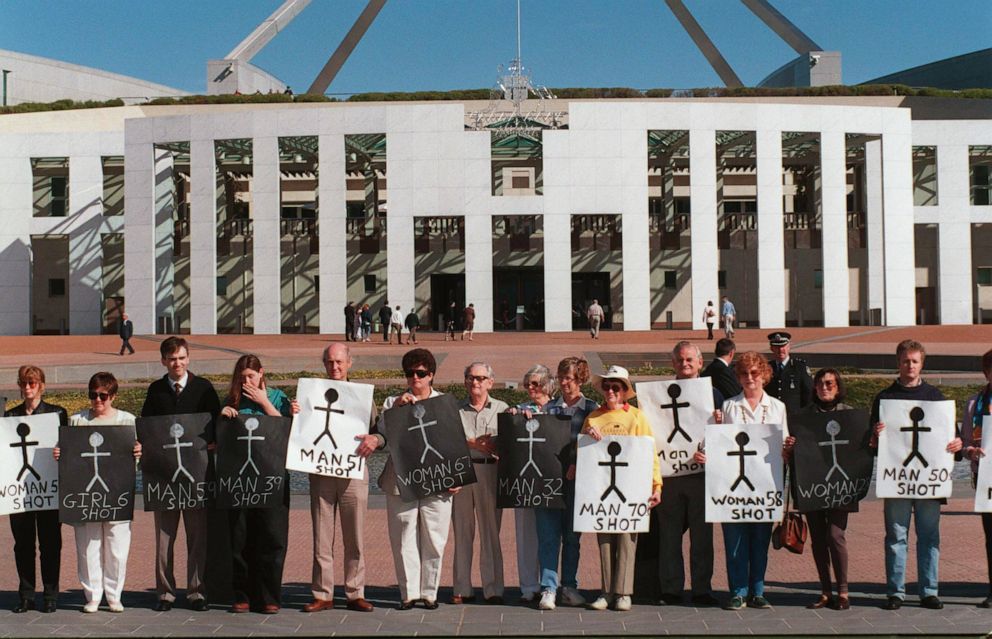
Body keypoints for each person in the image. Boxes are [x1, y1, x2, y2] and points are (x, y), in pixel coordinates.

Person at [869, 340, 961, 611]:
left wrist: (955, 445)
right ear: (898, 363)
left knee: (929, 536)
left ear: (922, 364)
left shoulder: (936, 398)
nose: (910, 366)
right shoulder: (885, 399)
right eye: (906, 361)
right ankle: (895, 592)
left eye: (915, 361)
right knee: (896, 536)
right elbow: (873, 445)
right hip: (897, 479)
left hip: (928, 482)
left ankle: (929, 590)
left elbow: (950, 439)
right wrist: (875, 435)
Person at [694, 352, 790, 610]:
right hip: (731, 483)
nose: (750, 378)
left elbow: (784, 445)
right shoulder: (728, 407)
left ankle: (757, 591)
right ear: (737, 377)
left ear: (764, 376)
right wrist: (707, 449)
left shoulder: (777, 408)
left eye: (755, 373)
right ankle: (737, 591)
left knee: (760, 540)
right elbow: (717, 442)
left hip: (765, 483)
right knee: (734, 540)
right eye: (744, 374)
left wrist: (787, 449)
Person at [139, 337, 220, 612]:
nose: (178, 363)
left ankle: (197, 591)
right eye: (172, 359)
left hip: (196, 476)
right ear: (163, 360)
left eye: (182, 358)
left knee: (198, 537)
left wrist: (214, 440)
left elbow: (215, 425)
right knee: (165, 538)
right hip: (164, 477)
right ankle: (165, 593)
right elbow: (147, 429)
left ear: (189, 358)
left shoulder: (204, 389)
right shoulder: (155, 390)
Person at [377, 348, 457, 610]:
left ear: (431, 375)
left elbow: (453, 442)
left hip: (438, 479)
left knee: (435, 537)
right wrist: (398, 408)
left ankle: (429, 592)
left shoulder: (444, 402)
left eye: (421, 373)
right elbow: (382, 435)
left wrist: (456, 476)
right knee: (403, 536)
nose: (415, 378)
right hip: (402, 478)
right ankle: (408, 593)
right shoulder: (392, 402)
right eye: (410, 373)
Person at [54, 372, 141, 613]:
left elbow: (136, 459)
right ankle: (92, 594)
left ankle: (114, 594)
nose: (98, 400)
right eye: (93, 395)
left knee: (116, 546)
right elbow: (69, 455)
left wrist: (137, 453)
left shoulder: (127, 421)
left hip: (117, 491)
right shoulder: (77, 421)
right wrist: (60, 454)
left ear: (113, 396)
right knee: (88, 546)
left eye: (103, 396)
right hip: (86, 495)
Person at [304, 343, 380, 613]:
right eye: (329, 362)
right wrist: (295, 414)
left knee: (355, 537)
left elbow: (378, 429)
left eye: (339, 362)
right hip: (322, 471)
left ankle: (354, 591)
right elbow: (301, 432)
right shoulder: (311, 395)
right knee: (321, 537)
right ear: (324, 363)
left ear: (350, 363)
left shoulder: (362, 396)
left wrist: (376, 438)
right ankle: (323, 593)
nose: (334, 367)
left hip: (354, 471)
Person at [582, 366, 662, 612]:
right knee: (605, 541)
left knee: (628, 540)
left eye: (615, 387)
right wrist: (586, 434)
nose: (610, 391)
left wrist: (656, 485)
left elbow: (650, 454)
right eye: (606, 386)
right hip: (600, 490)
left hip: (632, 489)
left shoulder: (637, 417)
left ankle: (624, 592)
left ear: (625, 391)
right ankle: (606, 591)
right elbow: (583, 453)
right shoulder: (593, 417)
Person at [220, 355, 295, 614]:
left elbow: (286, 430)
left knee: (272, 537)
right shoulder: (233, 400)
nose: (247, 382)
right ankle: (242, 594)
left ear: (261, 373)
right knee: (240, 538)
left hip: (272, 478)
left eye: (251, 376)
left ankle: (269, 596)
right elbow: (222, 438)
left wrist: (263, 402)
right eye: (242, 378)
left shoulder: (279, 398)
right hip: (241, 480)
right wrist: (224, 416)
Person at [657, 342, 722, 606]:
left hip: (701, 476)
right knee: (669, 536)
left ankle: (702, 589)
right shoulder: (658, 395)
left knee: (702, 537)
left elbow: (727, 437)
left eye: (689, 360)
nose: (685, 364)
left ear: (699, 362)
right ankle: (671, 588)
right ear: (673, 363)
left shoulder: (714, 395)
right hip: (669, 476)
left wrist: (719, 425)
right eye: (680, 360)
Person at [536, 357, 599, 610]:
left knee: (572, 537)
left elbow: (599, 447)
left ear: (580, 379)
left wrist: (596, 439)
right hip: (549, 482)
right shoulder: (549, 409)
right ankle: (548, 588)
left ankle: (569, 586)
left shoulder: (593, 409)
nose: (563, 383)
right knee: (548, 537)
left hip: (579, 483)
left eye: (569, 378)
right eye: (561, 377)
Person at [6, 365, 67, 613]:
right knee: (23, 544)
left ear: (41, 384)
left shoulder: (57, 413)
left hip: (48, 489)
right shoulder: (9, 418)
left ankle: (51, 595)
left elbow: (69, 448)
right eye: (24, 383)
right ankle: (26, 595)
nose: (28, 388)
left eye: (32, 383)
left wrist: (62, 452)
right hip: (19, 491)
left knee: (51, 543)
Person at [798, 368, 859, 611]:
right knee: (818, 539)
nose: (825, 387)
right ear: (814, 387)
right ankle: (825, 591)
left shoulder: (850, 415)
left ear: (838, 386)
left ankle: (843, 590)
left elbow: (860, 448)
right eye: (821, 384)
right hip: (813, 483)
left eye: (830, 384)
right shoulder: (804, 416)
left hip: (840, 485)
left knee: (835, 535)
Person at [451, 362, 507, 604]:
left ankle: (493, 588)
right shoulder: (454, 410)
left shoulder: (504, 409)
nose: (475, 382)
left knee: (490, 533)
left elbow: (510, 444)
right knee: (462, 532)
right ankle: (462, 587)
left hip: (490, 472)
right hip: (462, 472)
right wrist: (473, 443)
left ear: (490, 382)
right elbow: (447, 441)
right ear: (465, 381)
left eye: (481, 378)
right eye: (471, 377)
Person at [508, 365, 556, 604]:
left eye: (535, 384)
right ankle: (528, 585)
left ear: (547, 385)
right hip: (525, 481)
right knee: (525, 532)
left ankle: (552, 584)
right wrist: (513, 416)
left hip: (552, 481)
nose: (530, 388)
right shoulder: (521, 409)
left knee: (550, 535)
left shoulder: (559, 409)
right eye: (527, 384)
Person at [962, 347, 992, 609]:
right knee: (991, 536)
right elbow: (965, 443)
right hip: (986, 479)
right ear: (986, 373)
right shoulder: (975, 404)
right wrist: (970, 450)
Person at [765, 331, 814, 414]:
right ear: (771, 348)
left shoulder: (799, 367)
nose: (780, 350)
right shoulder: (767, 368)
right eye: (777, 347)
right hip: (773, 415)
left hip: (794, 416)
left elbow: (809, 393)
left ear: (789, 347)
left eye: (783, 346)